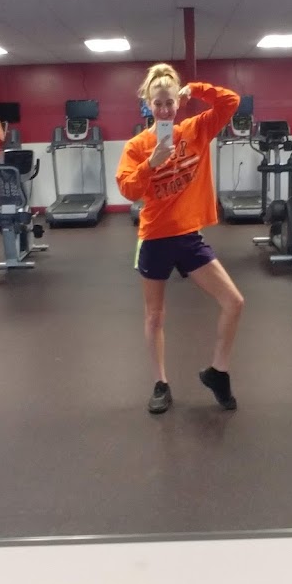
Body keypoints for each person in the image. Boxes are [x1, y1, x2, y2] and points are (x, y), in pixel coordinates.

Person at [116, 64, 244, 415]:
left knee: (234, 302)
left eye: (169, 102)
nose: (164, 109)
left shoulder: (196, 129)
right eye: (157, 103)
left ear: (178, 102)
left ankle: (218, 373)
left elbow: (231, 102)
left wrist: (197, 88)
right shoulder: (138, 146)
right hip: (154, 238)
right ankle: (161, 384)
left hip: (188, 236)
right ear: (148, 104)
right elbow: (128, 189)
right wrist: (151, 163)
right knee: (154, 316)